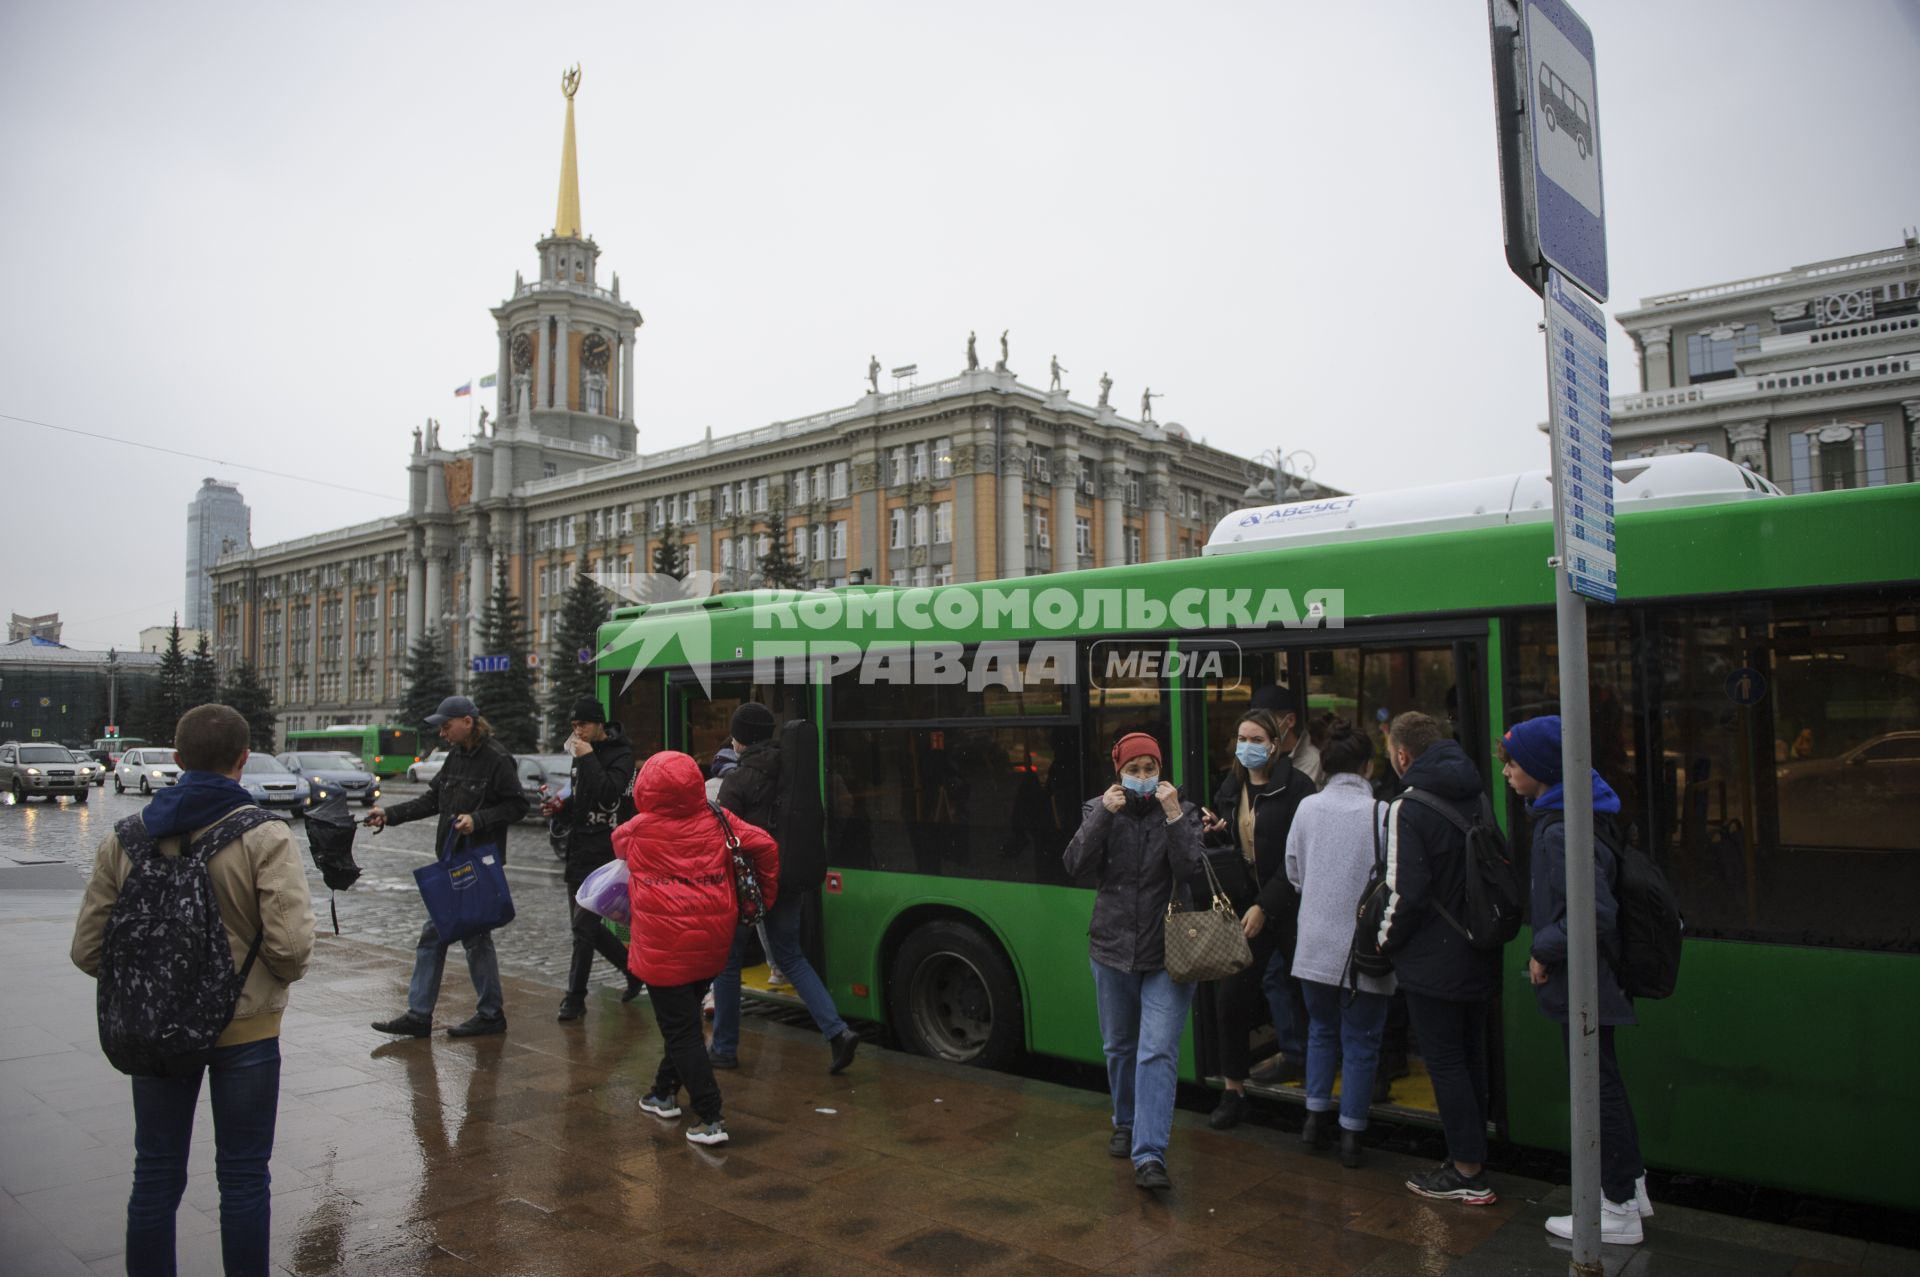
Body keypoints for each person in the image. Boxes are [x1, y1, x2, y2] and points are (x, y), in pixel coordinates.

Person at [71, 703, 317, 1276]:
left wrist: (154, 982)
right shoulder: (265, 836)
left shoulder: (125, 839)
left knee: (154, 1173)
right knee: (244, 1176)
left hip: (154, 1031)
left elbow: (88, 950)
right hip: (247, 1029)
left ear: (178, 760)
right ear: (243, 759)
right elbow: (290, 947)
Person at [1502, 716, 1650, 1245]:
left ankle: (1615, 1208)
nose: (1507, 774)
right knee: (1604, 1081)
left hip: (1586, 980)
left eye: (1514, 764)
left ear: (1542, 768)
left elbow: (1592, 912)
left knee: (1594, 1088)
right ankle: (1629, 1188)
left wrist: (1543, 949)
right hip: (1595, 977)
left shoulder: (1562, 828)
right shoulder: (1571, 814)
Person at [1063, 732, 1203, 1193]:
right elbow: (1075, 863)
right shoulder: (1098, 809)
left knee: (1157, 1050)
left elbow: (1191, 871)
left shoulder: (1181, 810)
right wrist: (1105, 812)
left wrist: (1175, 816)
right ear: (1118, 771)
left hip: (1169, 953)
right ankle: (1124, 1121)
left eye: (1151, 768)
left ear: (1161, 770)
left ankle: (1149, 1154)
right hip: (1112, 949)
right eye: (1134, 769)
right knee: (1119, 1047)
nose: (1144, 778)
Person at [616, 750, 779, 1146]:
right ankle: (663, 1093)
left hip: (663, 950)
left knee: (682, 1031)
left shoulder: (635, 831)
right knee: (684, 1020)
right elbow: (766, 845)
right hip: (712, 942)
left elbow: (618, 845)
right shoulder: (720, 820)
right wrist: (765, 898)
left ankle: (710, 1116)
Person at [1376, 711, 1503, 1206]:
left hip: (1433, 958)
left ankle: (1467, 1171)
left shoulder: (1408, 807)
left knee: (1445, 1062)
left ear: (1403, 755)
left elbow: (1404, 891)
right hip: (1478, 946)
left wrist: (1385, 941)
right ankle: (1472, 1155)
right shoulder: (1474, 790)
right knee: (1471, 1055)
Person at [366, 696, 530, 1038]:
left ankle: (433, 1014)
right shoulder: (456, 756)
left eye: (446, 725)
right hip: (452, 858)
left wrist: (479, 819)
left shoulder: (497, 758)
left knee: (450, 935)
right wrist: (389, 814)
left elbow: (517, 806)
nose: (442, 733)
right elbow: (432, 800)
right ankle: (478, 1013)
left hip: (476, 863)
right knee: (465, 936)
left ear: (467, 722)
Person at [710, 703, 861, 1074]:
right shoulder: (793, 770)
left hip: (750, 883)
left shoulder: (738, 779)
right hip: (789, 875)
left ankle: (725, 1048)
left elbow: (723, 835)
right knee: (791, 956)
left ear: (741, 739)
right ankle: (837, 1032)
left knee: (727, 962)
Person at [1198, 707, 1317, 1127]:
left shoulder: (1298, 788)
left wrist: (1266, 906)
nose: (1247, 747)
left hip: (1288, 907)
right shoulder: (1232, 786)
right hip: (1245, 908)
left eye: (1256, 740)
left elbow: (1299, 858)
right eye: (1241, 739)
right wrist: (1219, 831)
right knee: (1230, 998)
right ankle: (1234, 1091)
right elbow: (1237, 841)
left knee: (1307, 996)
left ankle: (1317, 1096)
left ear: (1275, 744)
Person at [1286, 718, 1395, 1169]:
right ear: (1368, 767)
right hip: (1365, 953)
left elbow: (1294, 873)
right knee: (1362, 1040)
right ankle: (1352, 1135)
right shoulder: (1382, 813)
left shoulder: (1308, 808)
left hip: (1312, 946)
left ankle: (1314, 1123)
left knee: (1321, 1031)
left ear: (1326, 765)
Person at [542, 696, 643, 1021]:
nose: (578, 731)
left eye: (582, 724)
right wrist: (561, 806)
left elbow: (609, 794)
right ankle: (633, 971)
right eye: (573, 726)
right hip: (579, 849)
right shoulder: (580, 754)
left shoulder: (621, 753)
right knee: (585, 926)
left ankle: (575, 998)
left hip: (606, 853)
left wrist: (586, 758)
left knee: (583, 928)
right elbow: (583, 798)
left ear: (599, 724)